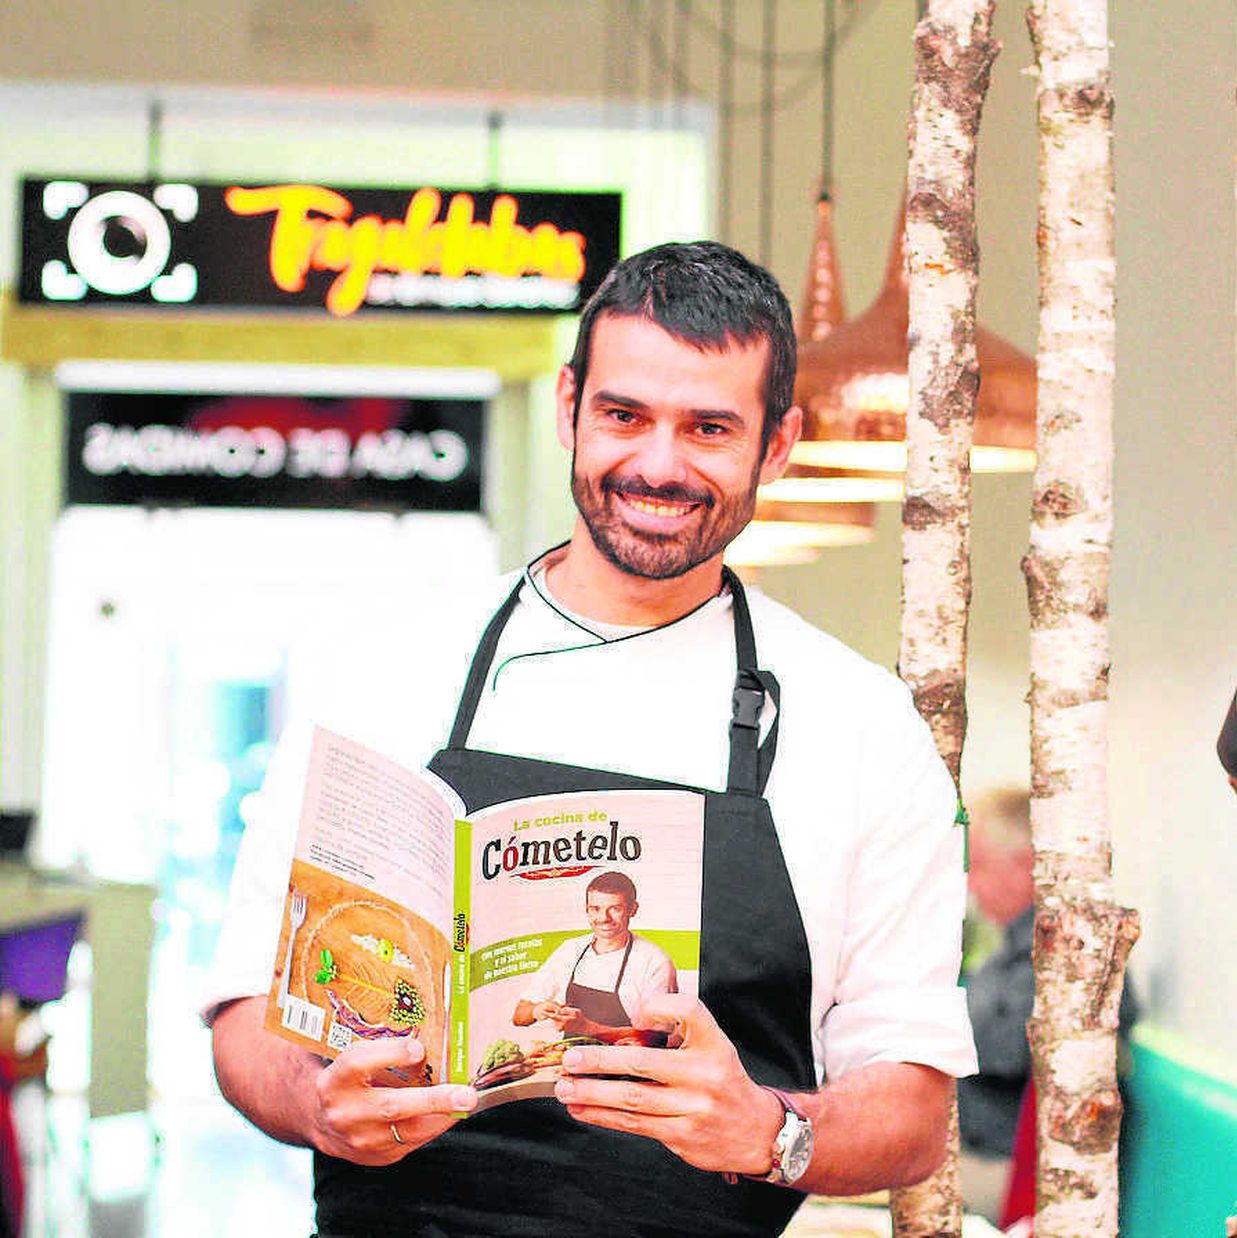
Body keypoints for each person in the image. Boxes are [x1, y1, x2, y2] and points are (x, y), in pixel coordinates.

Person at [204, 240, 976, 1237]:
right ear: (568, 404)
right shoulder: (383, 675)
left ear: (777, 444)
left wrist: (764, 1129)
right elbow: (244, 1018)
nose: (657, 464)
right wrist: (317, 1106)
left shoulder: (860, 725)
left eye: (708, 426)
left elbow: (912, 1111)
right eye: (624, 414)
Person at [958, 788, 1035, 1161]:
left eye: (981, 865)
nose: (971, 884)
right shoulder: (1007, 946)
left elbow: (1011, 1051)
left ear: (1029, 863)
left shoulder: (1064, 956)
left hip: (1002, 1165)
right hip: (971, 1149)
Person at [512, 870, 677, 1035]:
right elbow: (519, 1015)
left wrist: (587, 1028)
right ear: (587, 909)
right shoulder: (570, 950)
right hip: (573, 1057)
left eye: (615, 908)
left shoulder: (654, 961)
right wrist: (536, 1010)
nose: (604, 918)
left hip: (627, 1060)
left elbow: (658, 1039)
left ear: (633, 909)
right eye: (595, 908)